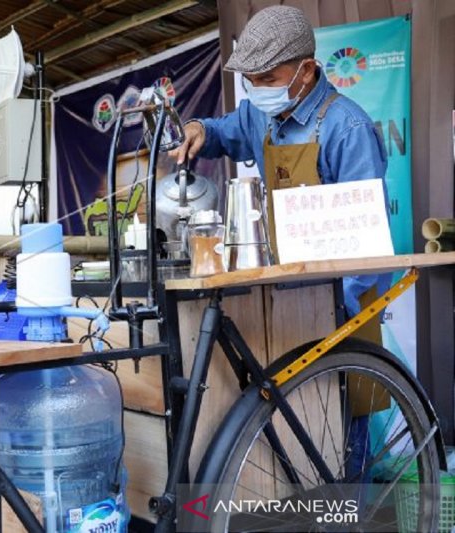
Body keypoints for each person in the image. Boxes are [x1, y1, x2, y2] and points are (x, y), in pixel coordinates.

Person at [172, 5, 390, 482]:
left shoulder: (346, 129)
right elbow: (225, 132)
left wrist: (332, 311)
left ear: (306, 70)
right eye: (250, 79)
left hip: (341, 310)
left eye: (266, 77)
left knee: (342, 448)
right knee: (298, 437)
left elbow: (369, 251)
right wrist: (199, 131)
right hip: (291, 304)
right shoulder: (262, 117)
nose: (256, 89)